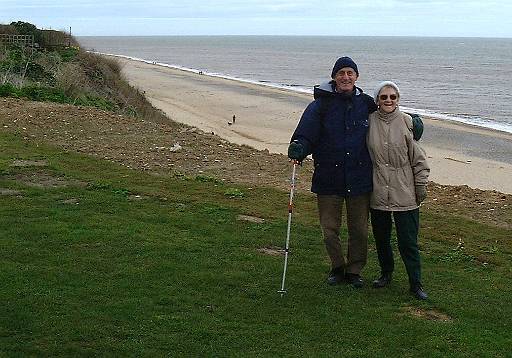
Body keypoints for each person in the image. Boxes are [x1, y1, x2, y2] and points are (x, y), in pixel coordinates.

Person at [287, 57, 377, 288]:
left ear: (357, 77)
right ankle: (337, 267)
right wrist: (299, 146)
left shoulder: (367, 104)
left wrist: (411, 123)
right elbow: (305, 134)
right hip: (328, 177)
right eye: (341, 73)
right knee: (329, 229)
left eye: (350, 73)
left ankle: (354, 270)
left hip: (359, 178)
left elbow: (389, 117)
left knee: (359, 230)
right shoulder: (320, 105)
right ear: (334, 77)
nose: (345, 77)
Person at [367, 81, 430, 300]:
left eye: (393, 97)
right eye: (384, 97)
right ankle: (386, 274)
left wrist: (420, 188)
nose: (388, 101)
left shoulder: (407, 122)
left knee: (408, 241)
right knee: (381, 238)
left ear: (398, 100)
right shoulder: (370, 121)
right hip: (377, 190)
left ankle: (416, 283)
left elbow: (419, 160)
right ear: (377, 100)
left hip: (405, 190)